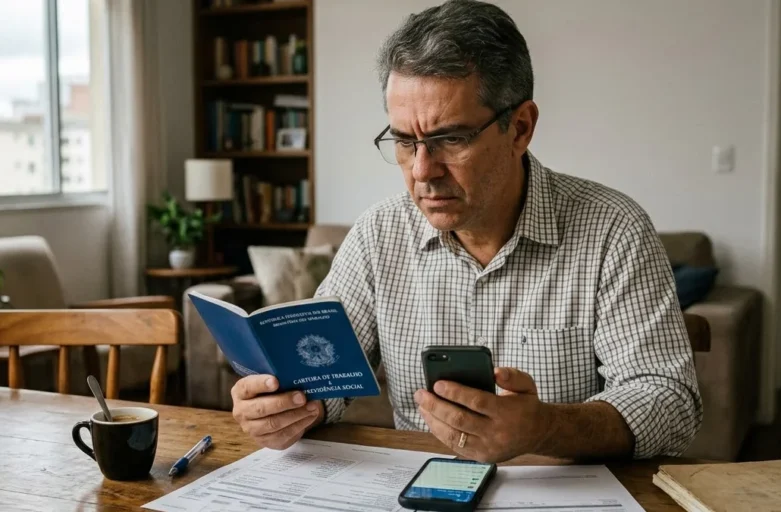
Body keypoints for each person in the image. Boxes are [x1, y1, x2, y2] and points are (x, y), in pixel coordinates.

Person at [231, 0, 702, 463]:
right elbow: (323, 377)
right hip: (413, 486)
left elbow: (668, 399)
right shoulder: (378, 234)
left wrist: (546, 428)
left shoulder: (613, 229)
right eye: (404, 141)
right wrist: (288, 408)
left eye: (451, 139)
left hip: (561, 490)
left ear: (520, 128)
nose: (422, 170)